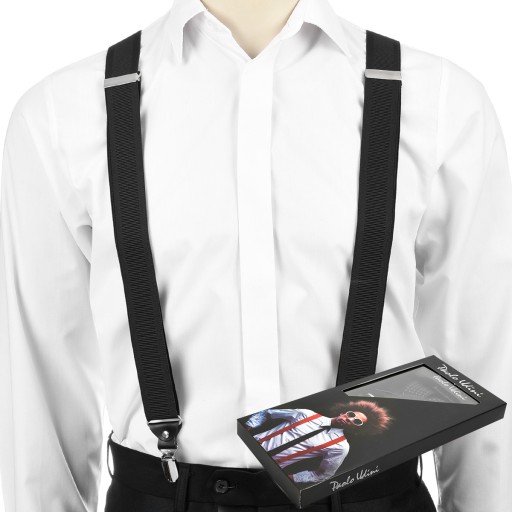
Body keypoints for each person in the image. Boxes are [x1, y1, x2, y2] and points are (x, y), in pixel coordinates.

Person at [1, 0, 511, 511]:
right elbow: (42, 379)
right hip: (161, 493)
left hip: (374, 496)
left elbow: (481, 357)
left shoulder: (441, 100)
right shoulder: (62, 112)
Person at [244, 402, 390, 484]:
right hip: (245, 447)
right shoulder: (306, 414)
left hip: (265, 469)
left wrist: (290, 479)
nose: (350, 419)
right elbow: (268, 413)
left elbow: (323, 474)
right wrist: (247, 428)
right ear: (344, 412)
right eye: (351, 414)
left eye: (357, 422)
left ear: (356, 428)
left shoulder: (340, 446)